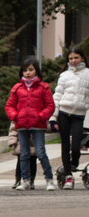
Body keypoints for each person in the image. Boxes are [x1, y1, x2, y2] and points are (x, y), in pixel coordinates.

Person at [5, 58, 56, 191]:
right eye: (25, 70)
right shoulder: (17, 88)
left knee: (41, 152)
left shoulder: (44, 88)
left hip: (38, 126)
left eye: (31, 70)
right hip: (22, 125)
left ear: (36, 71)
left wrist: (41, 117)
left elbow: (50, 105)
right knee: (24, 154)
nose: (27, 73)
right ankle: (26, 180)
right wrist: (15, 116)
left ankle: (49, 180)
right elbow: (9, 106)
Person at [50, 46, 89, 189]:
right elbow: (57, 96)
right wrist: (53, 118)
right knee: (65, 146)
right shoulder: (64, 75)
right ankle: (68, 176)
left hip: (79, 115)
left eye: (76, 58)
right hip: (64, 114)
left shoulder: (88, 73)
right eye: (71, 58)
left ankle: (74, 163)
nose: (73, 61)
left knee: (76, 145)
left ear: (83, 58)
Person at [8, 122, 38, 189]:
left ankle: (31, 180)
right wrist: (12, 141)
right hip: (21, 141)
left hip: (33, 142)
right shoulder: (19, 114)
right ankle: (18, 180)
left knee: (33, 162)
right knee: (20, 161)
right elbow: (13, 129)